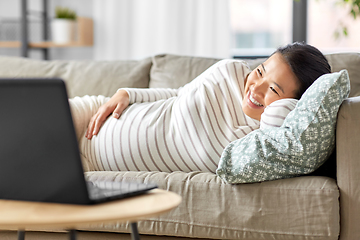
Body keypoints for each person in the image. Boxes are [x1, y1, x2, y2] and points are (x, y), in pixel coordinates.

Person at [69, 42, 331, 173]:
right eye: (260, 71)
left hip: (92, 168)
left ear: (293, 105)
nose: (255, 88)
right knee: (30, 113)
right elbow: (179, 94)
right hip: (92, 116)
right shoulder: (231, 71)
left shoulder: (260, 143)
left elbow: (284, 125)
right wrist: (127, 93)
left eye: (274, 89)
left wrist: (289, 108)